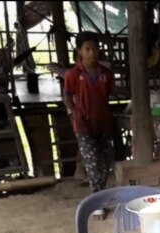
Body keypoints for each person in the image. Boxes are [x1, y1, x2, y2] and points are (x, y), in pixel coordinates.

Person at [63, 31, 115, 218]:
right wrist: (74, 112)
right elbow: (67, 96)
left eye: (95, 48)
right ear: (79, 51)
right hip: (83, 125)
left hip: (103, 122)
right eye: (88, 49)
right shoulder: (73, 74)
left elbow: (108, 95)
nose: (92, 52)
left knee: (105, 162)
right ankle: (97, 200)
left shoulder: (106, 73)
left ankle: (100, 194)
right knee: (93, 163)